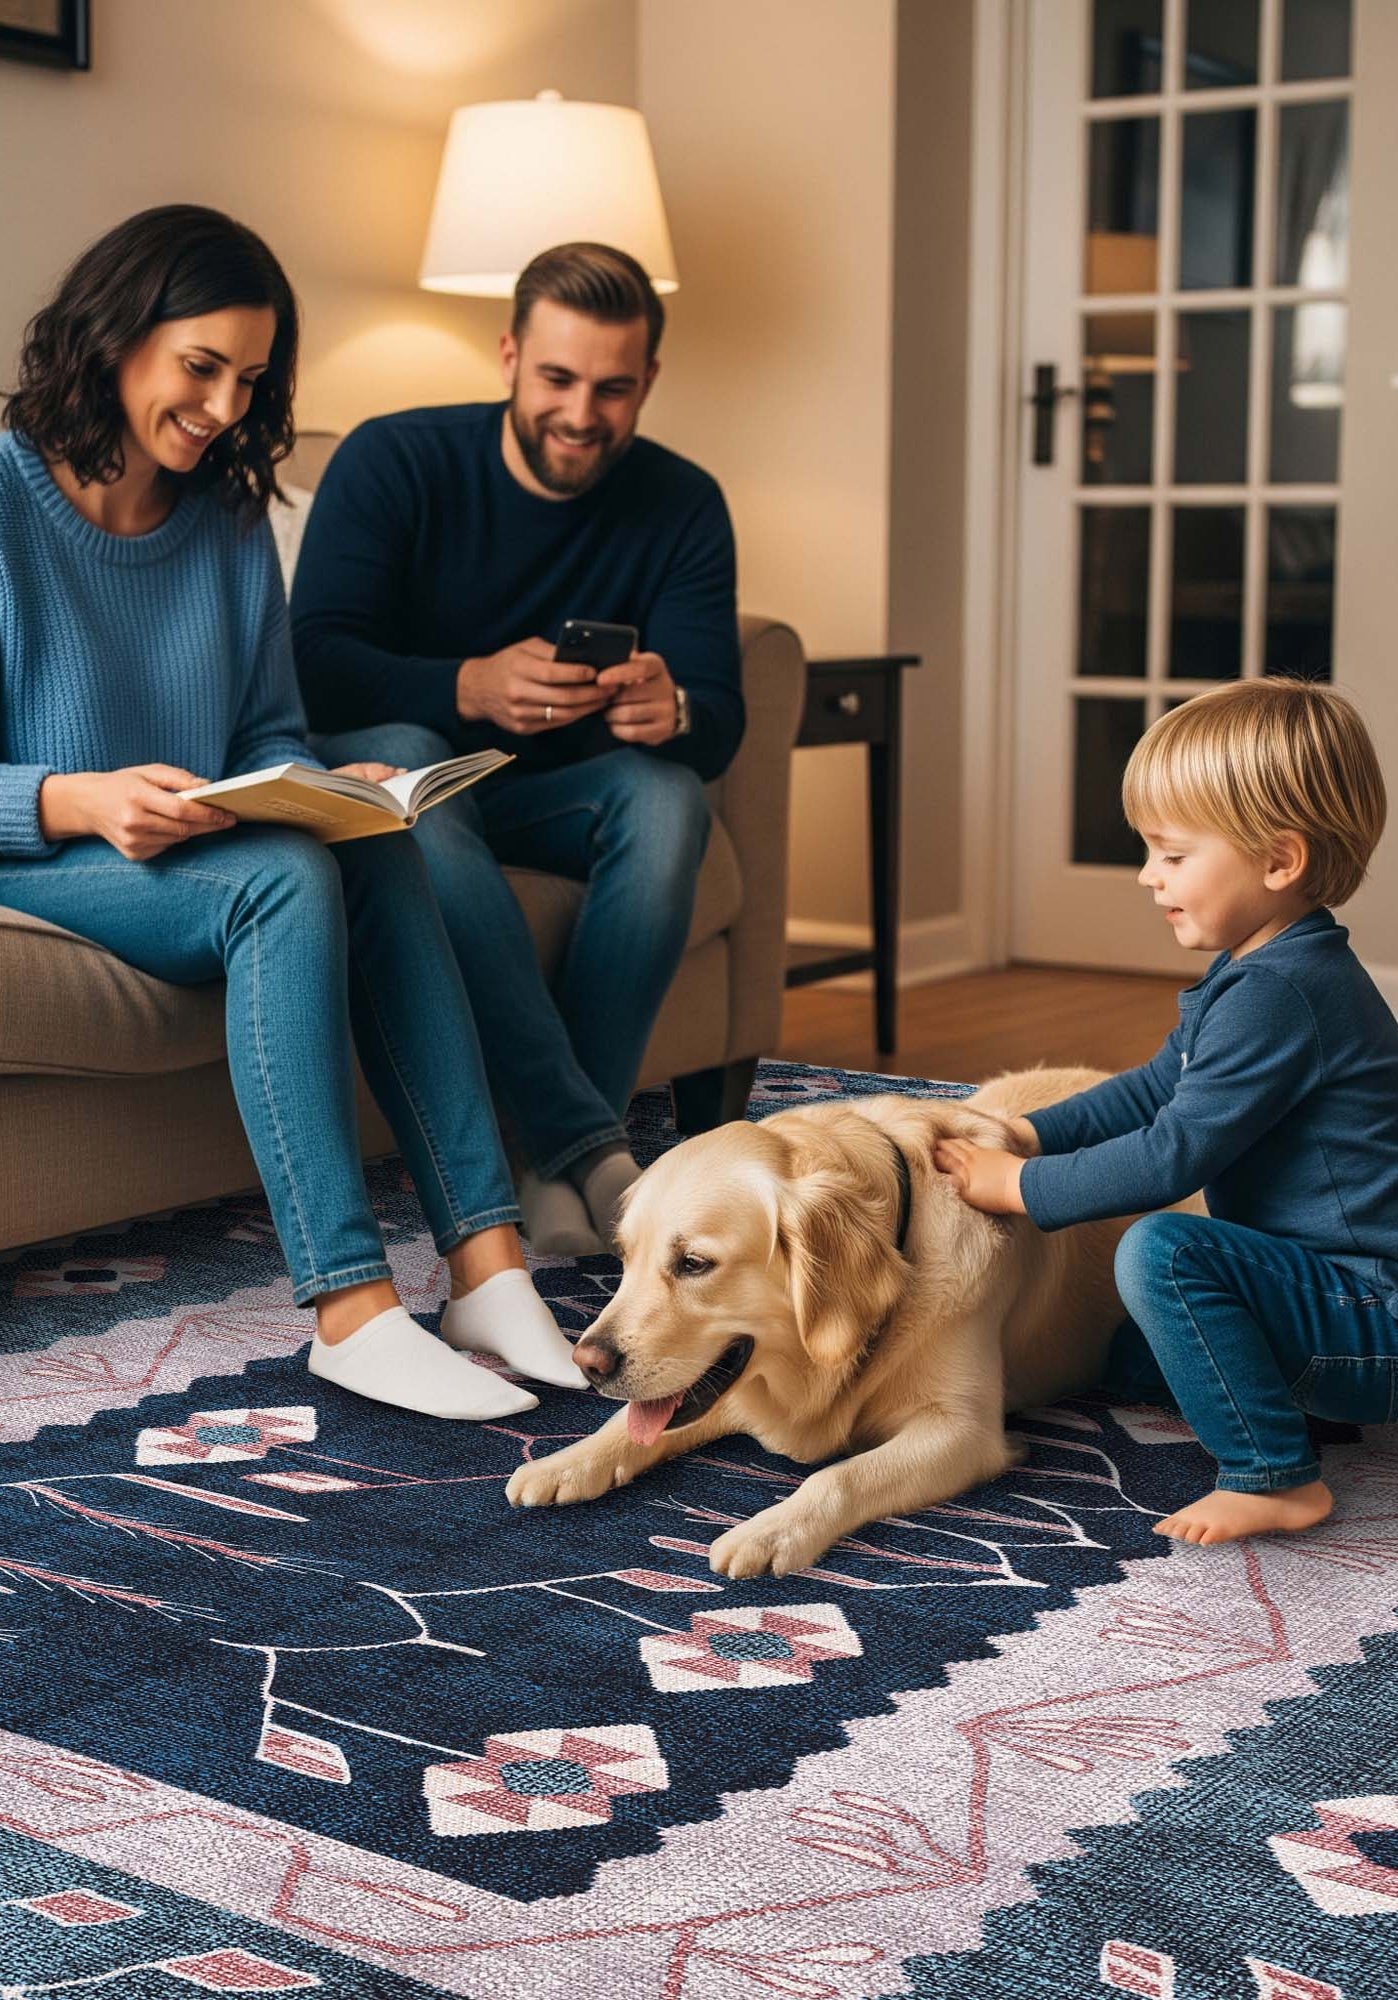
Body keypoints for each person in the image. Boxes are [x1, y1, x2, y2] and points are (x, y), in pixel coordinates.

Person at [0, 204, 588, 1420]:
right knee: (285, 881)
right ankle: (349, 1309)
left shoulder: (223, 513)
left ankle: (486, 1262)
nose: (222, 408)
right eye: (200, 366)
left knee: (364, 846)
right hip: (43, 849)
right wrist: (76, 796)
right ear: (116, 336)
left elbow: (265, 727)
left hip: (191, 840)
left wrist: (324, 786)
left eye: (249, 379)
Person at [290, 241, 743, 1257]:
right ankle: (588, 1144)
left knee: (669, 795)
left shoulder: (682, 502)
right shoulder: (394, 459)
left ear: (649, 383)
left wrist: (674, 709)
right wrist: (467, 683)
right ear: (507, 357)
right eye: (558, 378)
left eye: (614, 388)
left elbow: (720, 714)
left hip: (552, 793)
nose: (582, 414)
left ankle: (548, 1160)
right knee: (413, 756)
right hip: (402, 770)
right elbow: (311, 662)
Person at [935, 678, 1398, 1547]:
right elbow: (1155, 1087)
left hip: (1374, 1316)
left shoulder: (1280, 996)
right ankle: (1305, 1402)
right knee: (1129, 1357)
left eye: (1173, 855)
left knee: (1162, 1249)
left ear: (1278, 861)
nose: (1149, 876)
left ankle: (1275, 1475)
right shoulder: (1260, 971)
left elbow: (1168, 1157)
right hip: (1324, 1295)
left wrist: (1019, 1185)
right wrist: (1033, 1129)